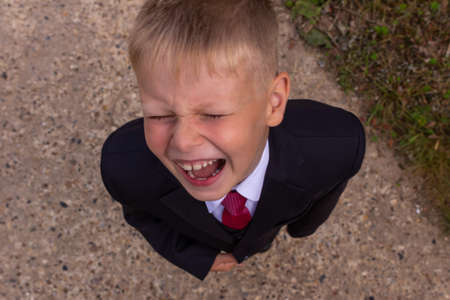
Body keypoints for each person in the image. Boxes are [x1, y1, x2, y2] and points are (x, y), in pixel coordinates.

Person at [100, 0, 365, 280]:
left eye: (213, 114)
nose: (183, 142)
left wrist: (303, 229)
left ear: (272, 104)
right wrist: (193, 256)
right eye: (159, 115)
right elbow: (143, 215)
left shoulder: (337, 146)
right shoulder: (124, 169)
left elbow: (325, 192)